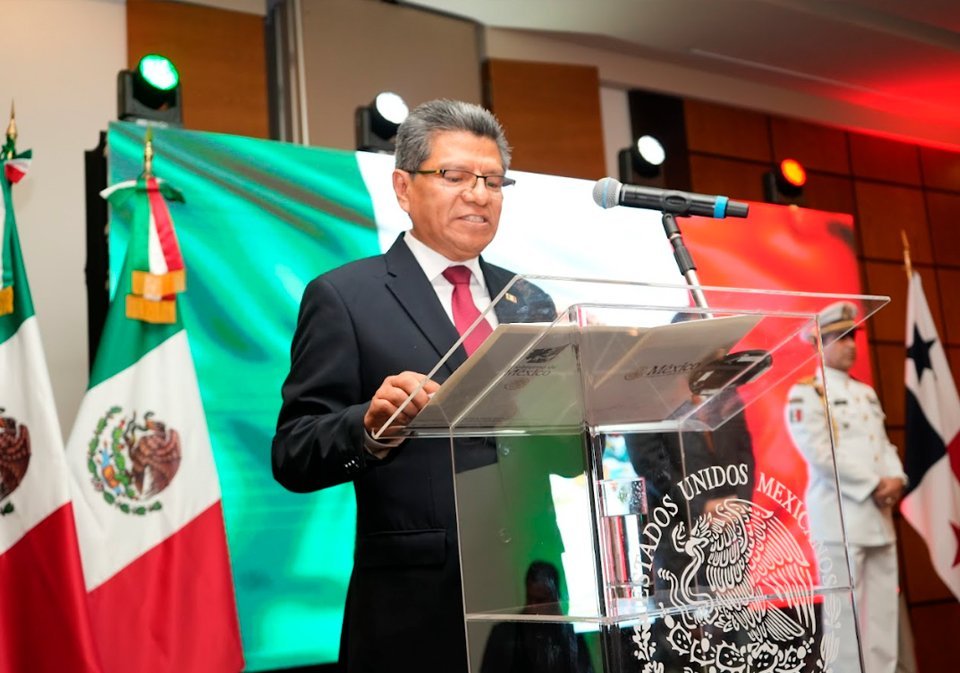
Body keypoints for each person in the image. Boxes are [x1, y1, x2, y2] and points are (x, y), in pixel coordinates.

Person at [272, 99, 555, 673]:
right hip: (417, 607)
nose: (478, 194)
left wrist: (587, 390)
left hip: (537, 597)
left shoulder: (529, 300)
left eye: (493, 180)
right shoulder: (347, 297)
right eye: (454, 176)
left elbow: (557, 452)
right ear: (403, 188)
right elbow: (294, 451)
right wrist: (370, 428)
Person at [786, 300, 906, 673]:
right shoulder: (805, 394)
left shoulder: (865, 393)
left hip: (877, 517)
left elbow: (882, 446)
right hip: (840, 520)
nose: (850, 344)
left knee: (883, 615)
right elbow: (822, 454)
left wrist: (896, 479)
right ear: (819, 344)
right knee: (844, 618)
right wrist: (873, 484)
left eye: (852, 336)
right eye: (840, 337)